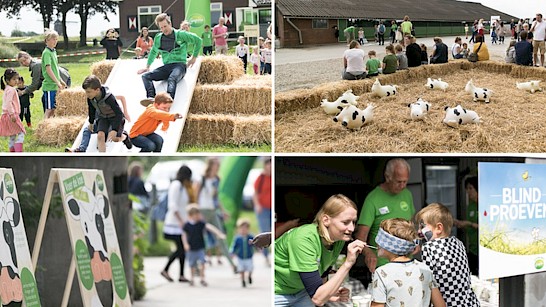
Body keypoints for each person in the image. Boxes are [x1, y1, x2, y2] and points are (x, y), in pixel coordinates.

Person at [274, 194, 366, 307]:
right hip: (276, 292)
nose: (351, 228)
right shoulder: (304, 239)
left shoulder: (338, 239)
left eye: (353, 222)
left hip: (302, 291)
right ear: (326, 220)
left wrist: (329, 293)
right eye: (345, 222)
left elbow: (322, 275)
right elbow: (318, 299)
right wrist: (348, 263)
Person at [355, 159, 416, 275]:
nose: (402, 186)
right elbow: (360, 237)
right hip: (383, 266)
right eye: (399, 182)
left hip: (407, 263)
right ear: (388, 177)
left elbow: (411, 226)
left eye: (405, 182)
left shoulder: (407, 194)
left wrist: (416, 241)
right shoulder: (373, 199)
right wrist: (368, 253)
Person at [415, 203, 480, 307]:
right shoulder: (458, 242)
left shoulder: (428, 247)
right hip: (470, 302)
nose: (419, 231)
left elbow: (428, 283)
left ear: (439, 228)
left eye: (422, 226)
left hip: (447, 303)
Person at [371, 218, 445, 307]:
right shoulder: (424, 269)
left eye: (380, 240)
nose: (377, 243)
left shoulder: (381, 273)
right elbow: (441, 305)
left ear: (389, 246)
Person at [137, 13, 202, 104]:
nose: (164, 29)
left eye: (165, 26)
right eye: (161, 27)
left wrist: (194, 57)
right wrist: (147, 66)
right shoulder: (159, 38)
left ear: (170, 24)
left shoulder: (181, 34)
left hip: (179, 66)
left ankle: (168, 100)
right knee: (145, 76)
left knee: (172, 78)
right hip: (167, 66)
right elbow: (153, 52)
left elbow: (198, 40)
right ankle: (151, 98)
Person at [195, 157, 234, 270]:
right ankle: (197, 267)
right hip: (202, 210)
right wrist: (197, 213)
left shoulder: (216, 180)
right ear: (210, 165)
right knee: (199, 238)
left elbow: (216, 197)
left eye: (218, 165)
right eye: (216, 165)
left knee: (220, 236)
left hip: (212, 211)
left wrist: (223, 211)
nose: (218, 168)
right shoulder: (201, 179)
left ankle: (232, 264)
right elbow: (195, 197)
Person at [161, 165, 195, 283]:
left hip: (180, 223)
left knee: (182, 249)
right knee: (181, 249)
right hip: (174, 224)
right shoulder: (176, 185)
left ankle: (181, 274)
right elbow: (173, 205)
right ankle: (165, 269)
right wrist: (181, 221)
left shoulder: (183, 186)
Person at [82, 75, 132, 152]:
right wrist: (91, 123)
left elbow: (119, 114)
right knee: (100, 136)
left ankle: (124, 136)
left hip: (115, 118)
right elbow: (91, 110)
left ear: (97, 90)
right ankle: (102, 157)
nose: (87, 94)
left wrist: (114, 129)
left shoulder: (109, 98)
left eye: (89, 92)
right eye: (86, 92)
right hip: (103, 117)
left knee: (114, 138)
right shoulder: (90, 98)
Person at [182, 204, 226, 287]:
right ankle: (192, 278)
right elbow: (183, 235)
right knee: (192, 264)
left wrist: (218, 233)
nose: (198, 216)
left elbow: (209, 227)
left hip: (200, 247)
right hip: (191, 248)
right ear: (191, 215)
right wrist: (185, 244)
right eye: (196, 214)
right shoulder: (187, 225)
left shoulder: (200, 224)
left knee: (202, 263)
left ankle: (202, 278)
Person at [454, 176, 479, 276]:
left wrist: (469, 224)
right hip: (473, 248)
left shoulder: (486, 204)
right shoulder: (471, 206)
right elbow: (471, 226)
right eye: (467, 189)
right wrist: (460, 224)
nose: (468, 192)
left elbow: (488, 227)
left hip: (482, 249)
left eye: (470, 188)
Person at [41, 29, 66, 119]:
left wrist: (60, 80)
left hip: (54, 84)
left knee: (54, 109)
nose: (55, 41)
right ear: (47, 40)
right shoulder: (46, 53)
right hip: (49, 86)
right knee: (49, 109)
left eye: (56, 39)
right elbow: (48, 69)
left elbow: (55, 69)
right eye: (53, 39)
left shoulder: (53, 51)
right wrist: (57, 82)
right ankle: (44, 127)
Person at [0, 68, 25, 152]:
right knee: (21, 132)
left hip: (5, 115)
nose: (16, 81)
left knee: (12, 135)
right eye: (14, 79)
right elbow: (8, 103)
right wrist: (12, 114)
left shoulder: (7, 89)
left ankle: (12, 153)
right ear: (7, 80)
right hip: (11, 115)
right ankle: (18, 153)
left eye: (17, 78)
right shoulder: (12, 90)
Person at [253, 158, 271, 265]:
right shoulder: (261, 178)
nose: (269, 168)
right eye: (268, 165)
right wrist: (257, 205)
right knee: (265, 232)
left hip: (271, 208)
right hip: (263, 208)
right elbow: (255, 193)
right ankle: (266, 257)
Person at [230, 218, 254, 287]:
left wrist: (258, 248)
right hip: (240, 257)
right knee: (241, 269)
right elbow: (234, 246)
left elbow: (255, 244)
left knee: (250, 268)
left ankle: (249, 276)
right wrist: (232, 252)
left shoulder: (250, 237)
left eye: (245, 229)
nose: (243, 230)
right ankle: (243, 280)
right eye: (242, 229)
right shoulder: (237, 238)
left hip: (249, 256)